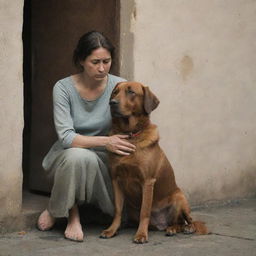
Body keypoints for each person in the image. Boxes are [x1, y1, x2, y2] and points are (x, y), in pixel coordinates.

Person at [37, 31, 136, 242]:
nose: (102, 68)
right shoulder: (63, 88)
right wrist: (105, 141)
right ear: (81, 60)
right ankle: (72, 216)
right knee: (77, 156)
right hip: (66, 156)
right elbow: (66, 137)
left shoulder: (120, 86)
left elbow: (130, 124)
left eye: (106, 61)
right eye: (95, 62)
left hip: (105, 159)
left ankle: (56, 204)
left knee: (86, 160)